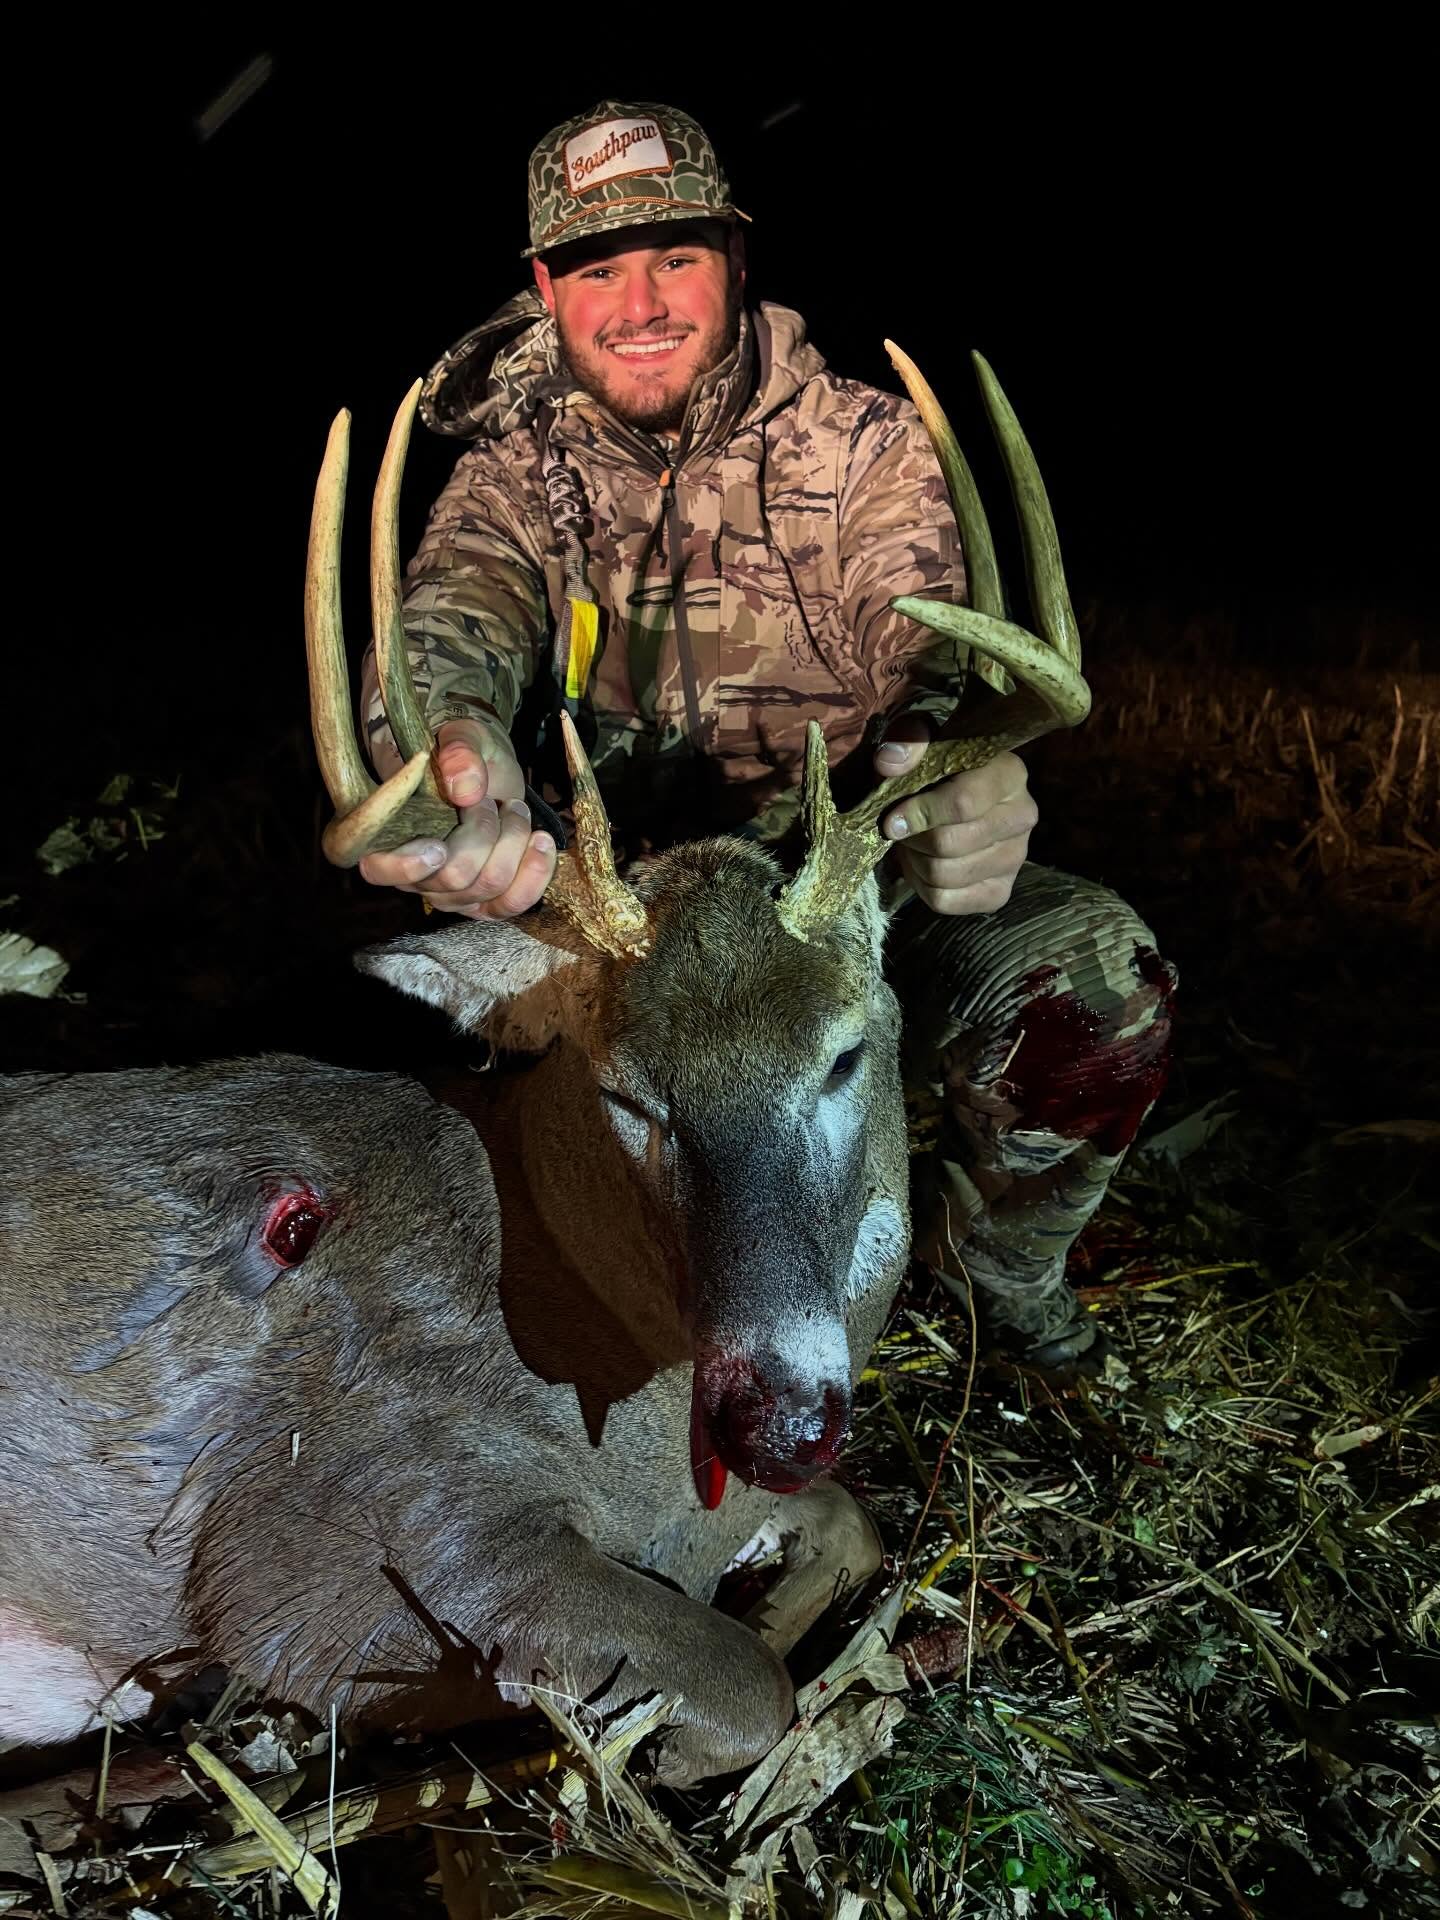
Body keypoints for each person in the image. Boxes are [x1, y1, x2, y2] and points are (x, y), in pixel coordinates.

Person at [358, 99, 1176, 1368]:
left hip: (835, 899)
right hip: (625, 927)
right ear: (545, 290)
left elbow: (929, 639)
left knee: (1091, 986)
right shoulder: (513, 479)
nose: (640, 304)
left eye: (675, 257)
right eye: (597, 270)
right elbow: (446, 631)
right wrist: (459, 758)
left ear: (736, 259)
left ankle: (991, 1275)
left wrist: (957, 775)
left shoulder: (865, 448)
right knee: (381, 1048)